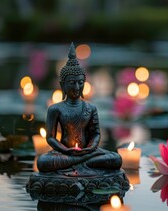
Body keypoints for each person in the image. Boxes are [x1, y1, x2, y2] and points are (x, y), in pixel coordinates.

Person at [37, 43, 122, 175]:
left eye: (80, 82)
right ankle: (84, 163)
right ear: (62, 85)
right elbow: (50, 138)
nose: (77, 87)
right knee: (42, 162)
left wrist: (90, 148)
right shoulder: (55, 109)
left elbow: (96, 134)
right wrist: (66, 150)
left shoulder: (91, 107)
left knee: (116, 159)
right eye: (72, 82)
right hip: (64, 153)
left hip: (87, 152)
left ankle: (79, 162)